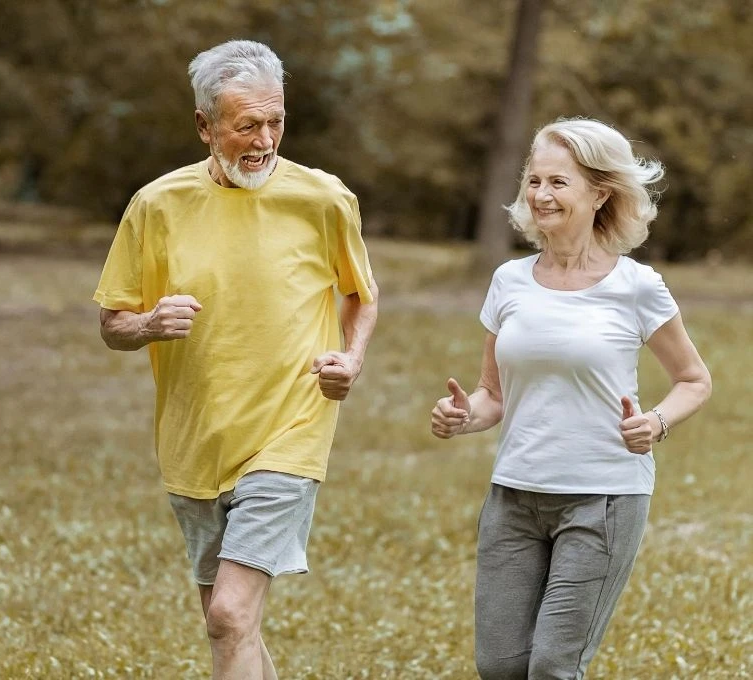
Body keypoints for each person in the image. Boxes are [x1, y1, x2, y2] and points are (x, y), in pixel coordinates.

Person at [93, 40, 378, 680]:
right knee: (231, 627)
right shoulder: (156, 205)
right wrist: (148, 323)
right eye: (247, 124)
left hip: (290, 428)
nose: (265, 139)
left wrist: (351, 360)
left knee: (227, 614)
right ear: (204, 126)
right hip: (195, 438)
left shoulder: (324, 198)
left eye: (276, 121)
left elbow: (361, 294)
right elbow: (112, 324)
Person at [430, 118, 712, 679]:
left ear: (599, 193)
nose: (541, 195)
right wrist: (462, 418)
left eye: (559, 182)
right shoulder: (509, 281)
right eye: (534, 181)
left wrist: (655, 423)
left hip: (601, 500)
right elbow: (492, 395)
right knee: (499, 666)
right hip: (514, 498)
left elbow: (694, 379)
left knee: (553, 668)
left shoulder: (635, 286)